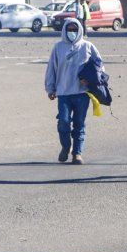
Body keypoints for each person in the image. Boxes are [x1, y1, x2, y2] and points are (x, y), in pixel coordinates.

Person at [45, 18, 102, 164]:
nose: (72, 32)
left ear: (80, 30)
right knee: (63, 122)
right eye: (69, 29)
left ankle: (77, 153)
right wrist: (50, 87)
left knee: (79, 123)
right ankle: (66, 146)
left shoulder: (87, 46)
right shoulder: (58, 47)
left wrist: (90, 81)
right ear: (64, 30)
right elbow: (51, 68)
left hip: (82, 93)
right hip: (63, 92)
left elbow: (99, 66)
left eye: (75, 29)